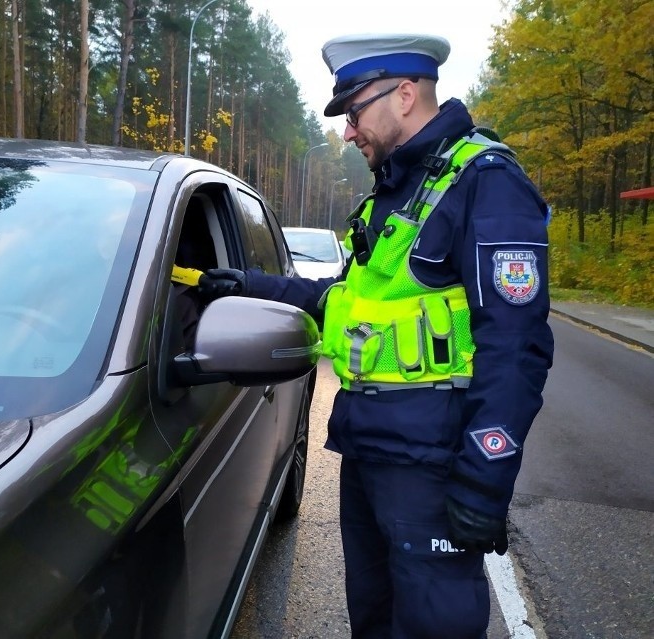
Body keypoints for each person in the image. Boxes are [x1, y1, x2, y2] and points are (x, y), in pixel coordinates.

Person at [199, 33, 554, 639]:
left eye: (355, 111)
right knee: (374, 620)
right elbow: (346, 303)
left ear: (407, 95)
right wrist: (251, 285)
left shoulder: (485, 183)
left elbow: (515, 345)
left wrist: (486, 475)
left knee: (430, 625)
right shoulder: (391, 195)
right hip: (367, 452)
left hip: (432, 467)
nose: (348, 131)